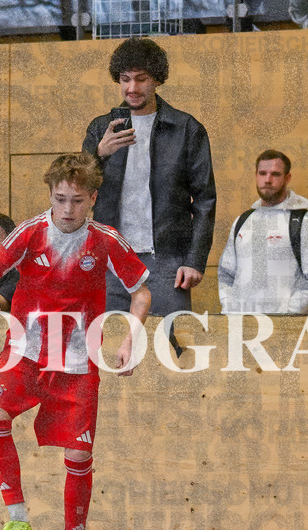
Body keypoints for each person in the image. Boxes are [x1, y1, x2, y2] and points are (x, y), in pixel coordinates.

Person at [0, 153, 151, 530]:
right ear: (50, 195)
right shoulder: (30, 233)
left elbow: (141, 292)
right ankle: (18, 522)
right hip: (26, 351)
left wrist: (130, 339)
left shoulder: (105, 240)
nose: (66, 210)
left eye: (76, 201)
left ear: (92, 200)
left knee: (79, 457)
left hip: (78, 362)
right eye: (59, 199)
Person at [82, 37, 216, 322]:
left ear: (157, 79)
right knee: (107, 345)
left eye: (141, 79)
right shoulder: (99, 129)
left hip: (167, 258)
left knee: (170, 345)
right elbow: (79, 191)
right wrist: (100, 154)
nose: (132, 88)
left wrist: (194, 260)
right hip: (110, 258)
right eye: (125, 79)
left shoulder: (186, 128)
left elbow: (205, 200)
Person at [217, 150, 308, 314]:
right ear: (256, 175)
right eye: (262, 173)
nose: (267, 180)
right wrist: (230, 310)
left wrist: (287, 314)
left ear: (287, 178)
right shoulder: (242, 222)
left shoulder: (302, 222)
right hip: (240, 328)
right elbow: (226, 273)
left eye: (275, 174)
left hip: (285, 332)